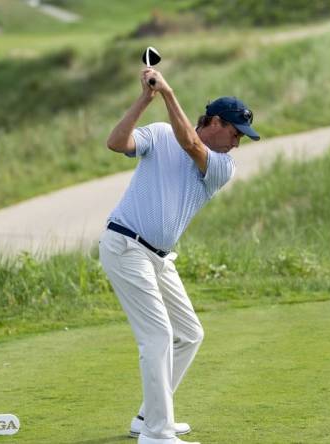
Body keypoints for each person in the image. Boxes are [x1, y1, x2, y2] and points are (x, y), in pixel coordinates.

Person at [98, 67, 260, 444]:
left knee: (189, 333)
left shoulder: (222, 165)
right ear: (216, 122)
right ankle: (157, 434)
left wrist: (169, 94)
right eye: (235, 133)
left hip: (158, 257)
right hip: (125, 245)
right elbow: (115, 142)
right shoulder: (157, 134)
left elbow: (189, 143)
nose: (237, 143)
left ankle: (147, 417)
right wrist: (146, 99)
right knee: (157, 336)